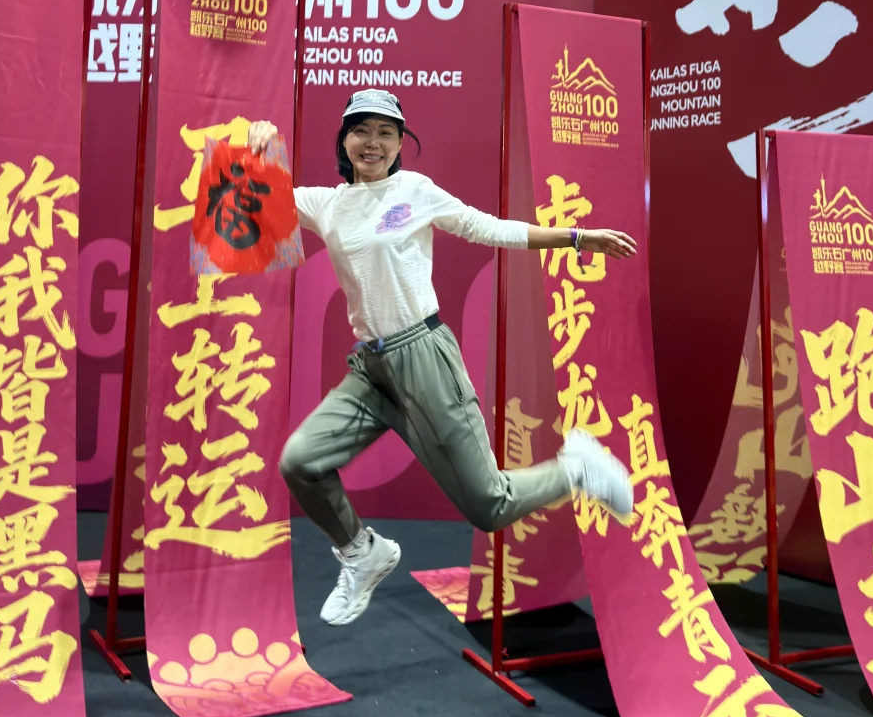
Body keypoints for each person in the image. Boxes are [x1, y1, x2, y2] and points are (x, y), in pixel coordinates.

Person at [247, 88, 638, 627]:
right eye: (362, 131)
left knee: (490, 506)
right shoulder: (328, 204)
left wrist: (574, 237)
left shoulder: (415, 191)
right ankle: (363, 553)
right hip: (372, 369)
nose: (373, 143)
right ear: (344, 140)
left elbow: (488, 227)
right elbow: (257, 201)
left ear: (399, 143)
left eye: (386, 133)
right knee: (300, 462)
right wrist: (260, 148)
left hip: (425, 357)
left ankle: (576, 469)